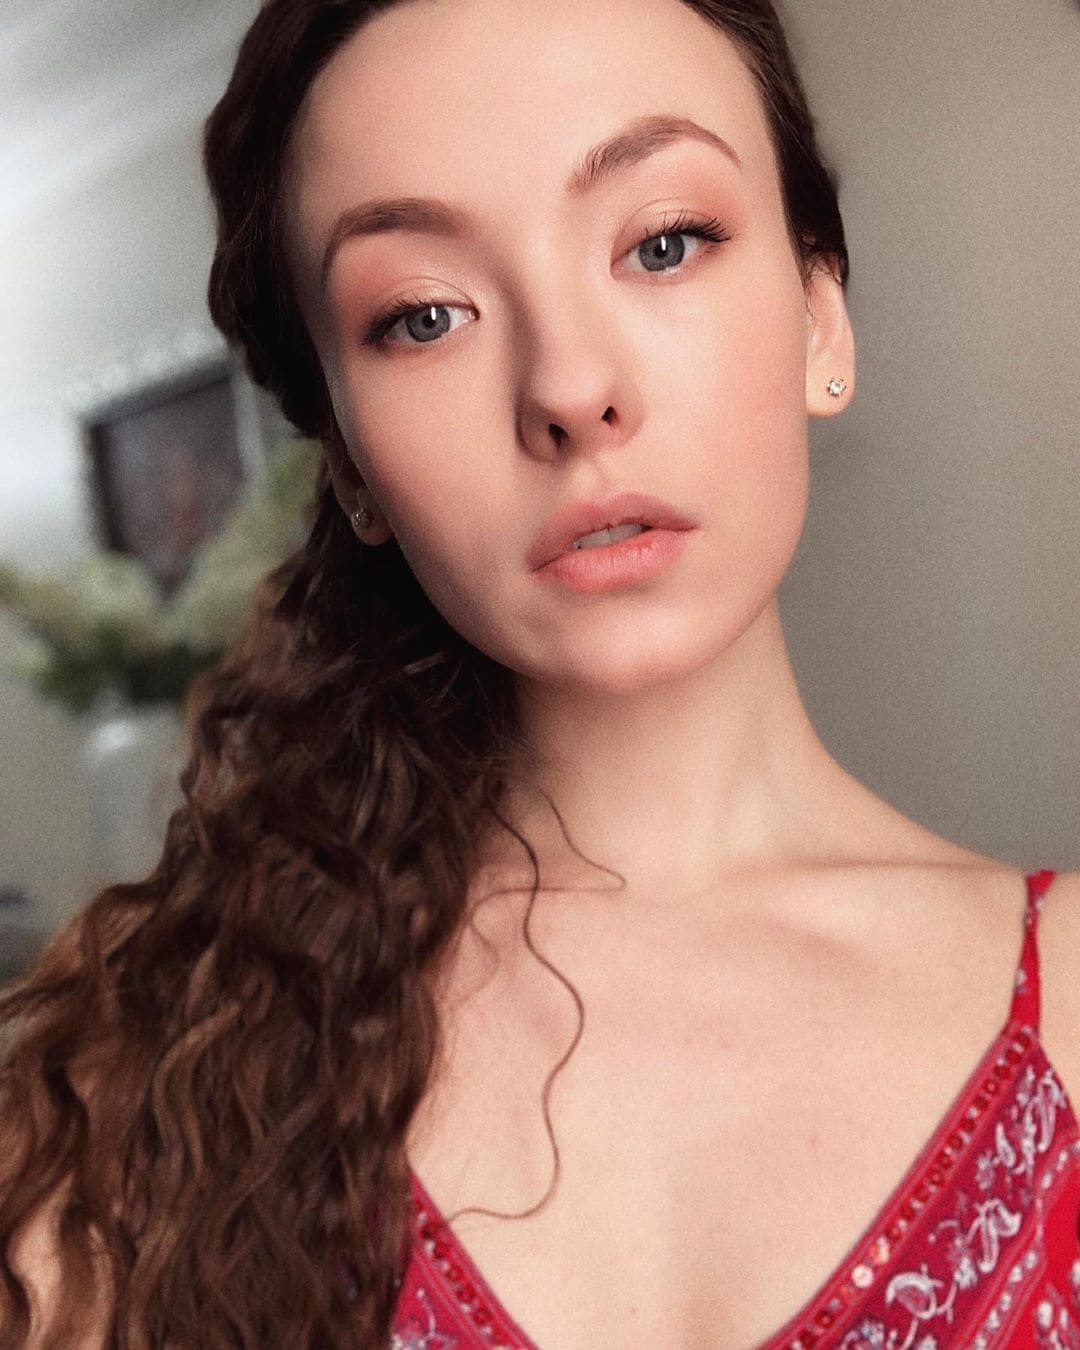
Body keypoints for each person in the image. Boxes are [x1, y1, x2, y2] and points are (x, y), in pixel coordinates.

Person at [1, 0, 1077, 1346]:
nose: (569, 387)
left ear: (822, 319)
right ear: (348, 462)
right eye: (424, 316)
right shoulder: (136, 1089)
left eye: (663, 242)